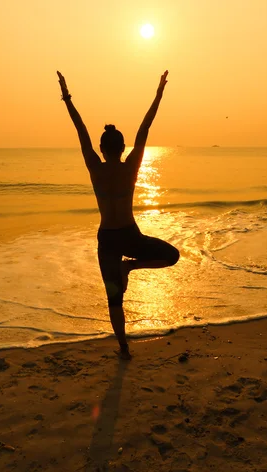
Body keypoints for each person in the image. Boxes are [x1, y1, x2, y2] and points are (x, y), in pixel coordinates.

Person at [57, 70, 180, 359]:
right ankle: (131, 268)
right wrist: (159, 92)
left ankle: (124, 348)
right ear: (122, 148)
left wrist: (66, 96)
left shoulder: (95, 167)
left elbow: (81, 129)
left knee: (114, 299)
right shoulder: (130, 167)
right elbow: (145, 127)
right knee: (171, 256)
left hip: (108, 238)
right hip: (129, 235)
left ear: (101, 148)